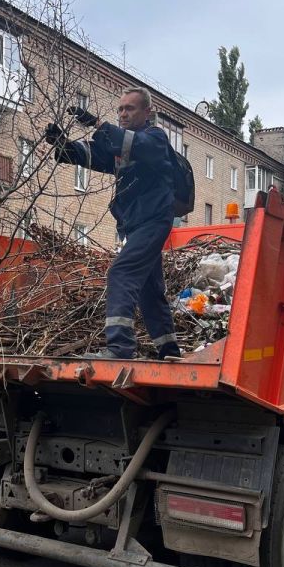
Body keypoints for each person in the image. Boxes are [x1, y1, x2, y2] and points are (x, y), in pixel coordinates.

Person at [44, 86, 182, 361]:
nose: (123, 114)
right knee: (149, 289)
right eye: (120, 109)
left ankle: (119, 349)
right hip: (137, 226)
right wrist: (62, 145)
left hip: (154, 221)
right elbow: (95, 155)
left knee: (121, 273)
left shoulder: (155, 139)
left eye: (129, 109)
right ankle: (169, 351)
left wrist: (97, 123)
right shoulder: (124, 145)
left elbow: (127, 143)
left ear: (147, 112)